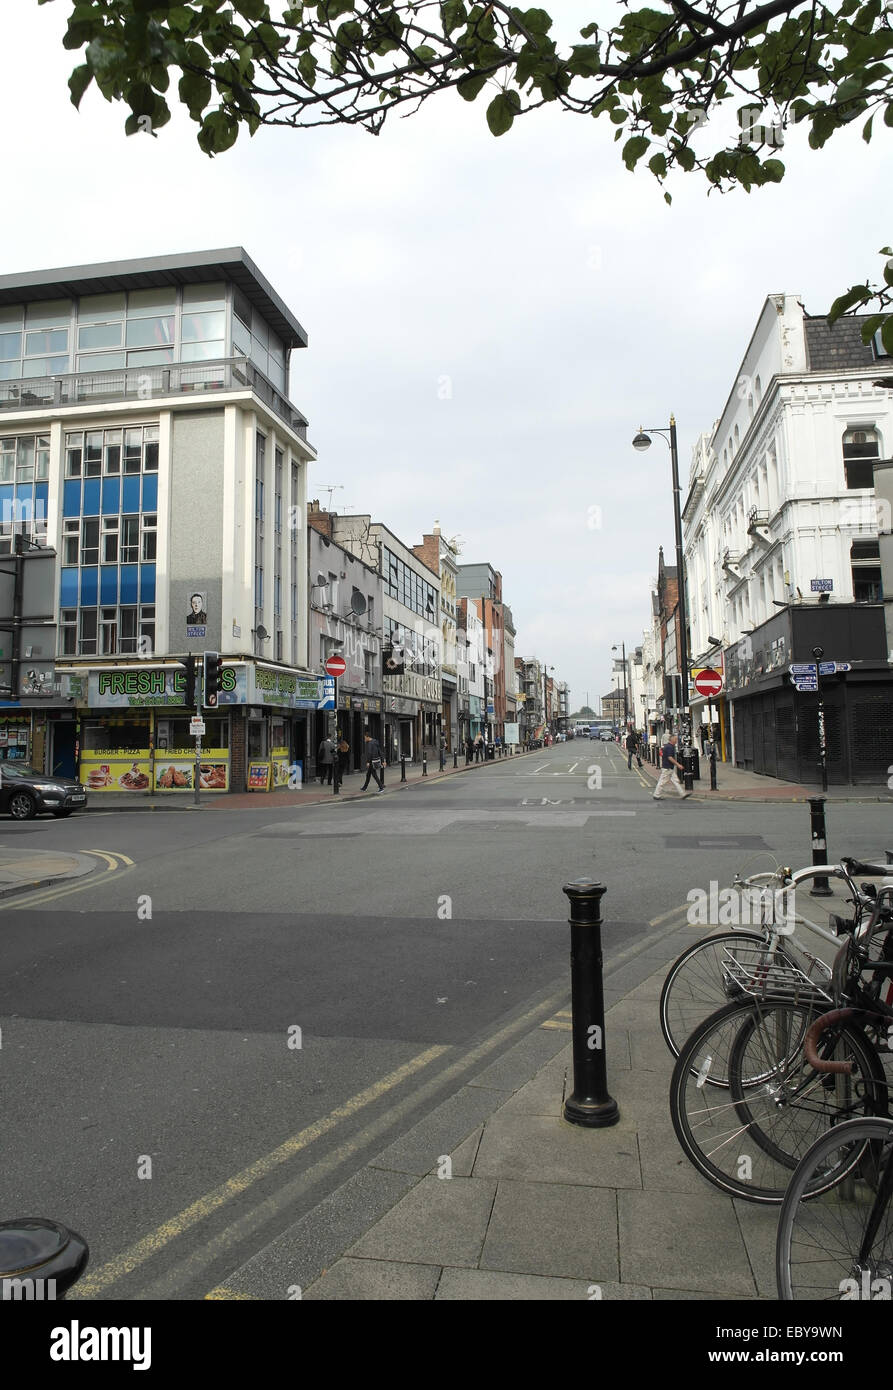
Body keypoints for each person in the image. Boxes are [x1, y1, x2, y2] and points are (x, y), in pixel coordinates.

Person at [653, 734, 691, 800]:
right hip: (667, 768)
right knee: (662, 782)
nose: (676, 741)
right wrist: (678, 765)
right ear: (672, 739)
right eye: (675, 739)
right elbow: (670, 757)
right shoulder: (669, 747)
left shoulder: (669, 746)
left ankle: (683, 794)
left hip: (670, 767)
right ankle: (656, 795)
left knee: (676, 781)